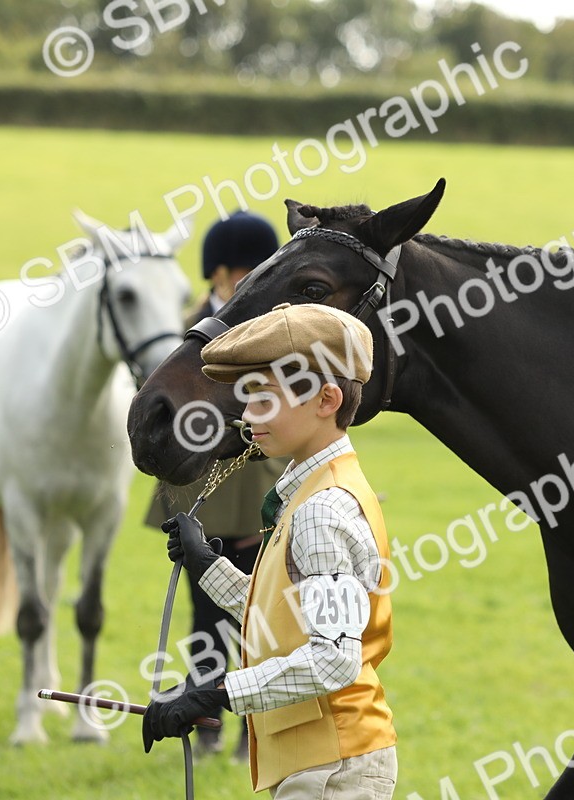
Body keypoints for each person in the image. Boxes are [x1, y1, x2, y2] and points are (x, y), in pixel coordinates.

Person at [144, 303, 397, 799]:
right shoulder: (307, 488)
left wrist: (217, 692)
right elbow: (288, 616)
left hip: (334, 769)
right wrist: (207, 567)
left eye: (265, 400)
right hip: (320, 762)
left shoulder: (322, 510)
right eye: (248, 399)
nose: (248, 416)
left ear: (326, 399)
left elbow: (333, 660)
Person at [143, 210, 290, 761]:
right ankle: (207, 725)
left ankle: (254, 725)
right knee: (205, 618)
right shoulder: (192, 332)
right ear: (219, 274)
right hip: (198, 498)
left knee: (260, 614)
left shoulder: (269, 332)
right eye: (242, 272)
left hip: (256, 499)